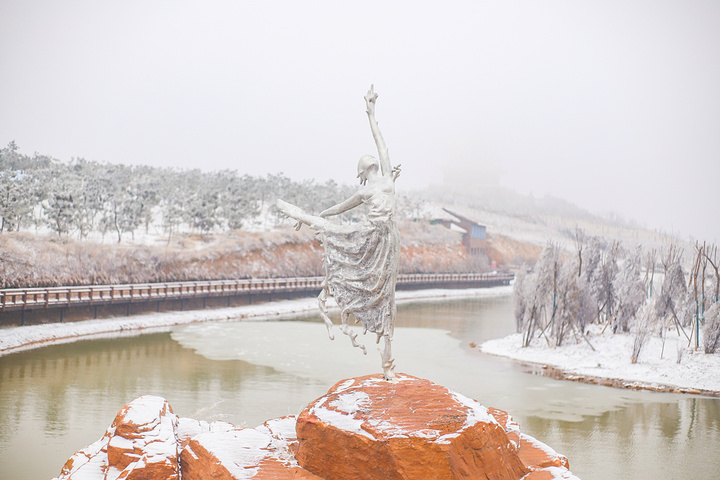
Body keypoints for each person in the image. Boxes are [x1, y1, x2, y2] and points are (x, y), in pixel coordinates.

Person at [277, 85, 401, 380]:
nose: (373, 160)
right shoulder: (368, 190)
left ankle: (388, 363)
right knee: (343, 242)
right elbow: (341, 207)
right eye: (368, 161)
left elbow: (381, 142)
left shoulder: (386, 178)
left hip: (387, 240)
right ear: (364, 170)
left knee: (386, 295)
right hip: (372, 236)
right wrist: (319, 215)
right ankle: (300, 215)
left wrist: (372, 113)